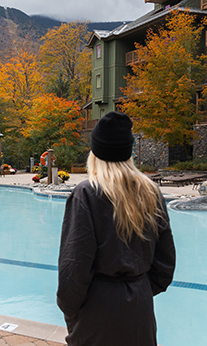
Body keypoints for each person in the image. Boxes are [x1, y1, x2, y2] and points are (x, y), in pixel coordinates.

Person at [57, 112, 175, 346]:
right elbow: (165, 261)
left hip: (97, 310)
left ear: (95, 153)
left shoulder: (87, 193)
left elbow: (75, 264)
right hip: (140, 309)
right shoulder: (151, 192)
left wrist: (70, 310)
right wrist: (139, 289)